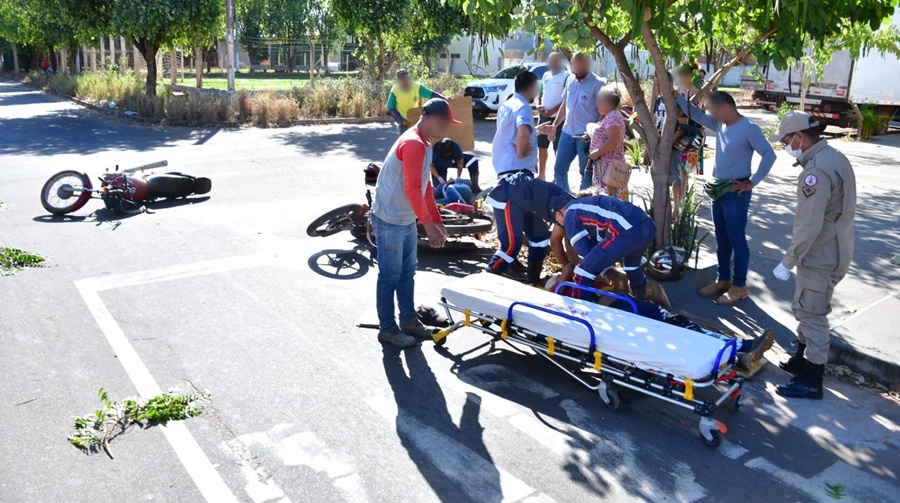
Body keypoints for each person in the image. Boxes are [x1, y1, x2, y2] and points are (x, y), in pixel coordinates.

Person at [768, 112, 856, 399]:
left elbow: (809, 224)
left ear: (800, 137)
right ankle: (801, 359)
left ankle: (812, 378)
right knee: (806, 306)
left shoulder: (815, 172)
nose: (785, 145)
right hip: (836, 245)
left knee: (812, 313)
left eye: (786, 140)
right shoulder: (834, 156)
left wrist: (787, 260)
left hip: (820, 251)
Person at [371, 98, 456, 348]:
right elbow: (411, 188)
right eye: (446, 123)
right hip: (389, 218)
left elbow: (425, 186)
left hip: (404, 217)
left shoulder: (426, 143)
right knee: (390, 276)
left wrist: (436, 220)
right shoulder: (413, 143)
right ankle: (387, 329)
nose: (446, 129)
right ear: (434, 120)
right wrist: (427, 225)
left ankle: (408, 321)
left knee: (407, 273)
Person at [678, 91, 776, 305]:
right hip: (718, 190)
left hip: (736, 193)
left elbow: (769, 154)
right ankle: (722, 280)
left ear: (725, 106)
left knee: (737, 240)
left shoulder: (748, 128)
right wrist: (675, 94)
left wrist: (752, 182)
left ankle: (739, 286)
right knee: (722, 239)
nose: (711, 115)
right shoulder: (720, 124)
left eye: (713, 109)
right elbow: (695, 114)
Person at [486, 71, 571, 284]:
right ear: (532, 87)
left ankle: (532, 282)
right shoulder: (523, 106)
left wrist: (536, 130)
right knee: (511, 246)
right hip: (514, 184)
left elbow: (519, 132)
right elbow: (522, 132)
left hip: (517, 182)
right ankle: (483, 283)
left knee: (540, 237)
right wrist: (523, 151)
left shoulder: (508, 104)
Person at [552, 191, 656, 300]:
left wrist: (600, 267)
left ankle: (580, 312)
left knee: (582, 272)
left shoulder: (569, 213)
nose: (560, 225)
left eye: (557, 221)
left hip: (625, 229)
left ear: (558, 214)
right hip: (647, 225)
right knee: (632, 267)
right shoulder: (587, 206)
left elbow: (582, 248)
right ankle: (641, 301)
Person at [547, 52, 605, 190]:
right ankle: (564, 201)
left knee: (585, 173)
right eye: (574, 67)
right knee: (559, 170)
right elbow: (565, 104)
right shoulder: (570, 80)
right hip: (567, 132)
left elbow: (603, 112)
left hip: (585, 136)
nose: (576, 71)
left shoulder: (598, 84)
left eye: (579, 67)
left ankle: (582, 202)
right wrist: (555, 125)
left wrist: (595, 132)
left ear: (587, 65)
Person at [587, 86, 627, 200]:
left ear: (607, 102)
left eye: (599, 101)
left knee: (610, 200)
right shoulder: (610, 116)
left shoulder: (613, 116)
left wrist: (597, 153)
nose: (597, 104)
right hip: (606, 167)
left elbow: (614, 140)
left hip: (609, 167)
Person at [537, 52, 569, 179]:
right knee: (541, 146)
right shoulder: (546, 75)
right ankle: (542, 174)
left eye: (555, 61)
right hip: (543, 117)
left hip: (559, 119)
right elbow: (540, 93)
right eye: (551, 61)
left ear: (561, 62)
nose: (553, 64)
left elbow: (566, 100)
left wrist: (552, 111)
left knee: (558, 149)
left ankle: (557, 177)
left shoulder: (566, 76)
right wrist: (539, 105)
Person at [387, 69, 446, 134]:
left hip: (416, 120)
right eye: (402, 79)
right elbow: (391, 108)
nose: (405, 81)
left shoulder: (417, 87)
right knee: (406, 142)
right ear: (399, 80)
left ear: (409, 77)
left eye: (406, 78)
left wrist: (444, 99)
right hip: (403, 123)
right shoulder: (395, 90)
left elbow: (431, 94)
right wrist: (401, 121)